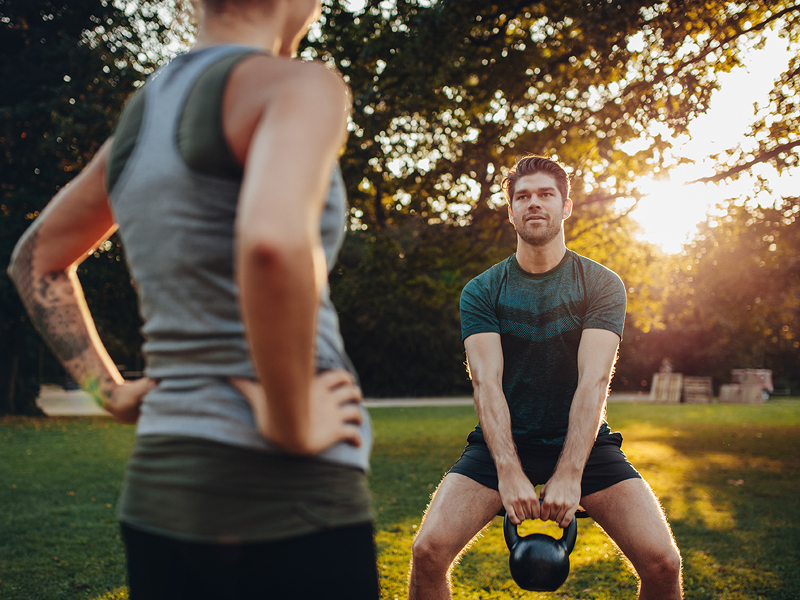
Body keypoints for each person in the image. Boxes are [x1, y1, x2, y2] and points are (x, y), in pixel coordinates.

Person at [8, 1, 380, 598]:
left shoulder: (142, 116)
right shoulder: (303, 85)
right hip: (285, 495)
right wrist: (292, 425)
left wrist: (110, 392)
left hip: (159, 493)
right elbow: (272, 244)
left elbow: (35, 261)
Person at [407, 155, 682, 600]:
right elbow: (486, 383)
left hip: (583, 443)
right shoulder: (482, 290)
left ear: (566, 206)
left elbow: (593, 382)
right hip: (501, 442)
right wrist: (509, 470)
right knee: (428, 551)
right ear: (511, 210)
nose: (534, 203)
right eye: (523, 196)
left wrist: (571, 472)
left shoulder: (601, 284)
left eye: (545, 194)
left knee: (663, 563)